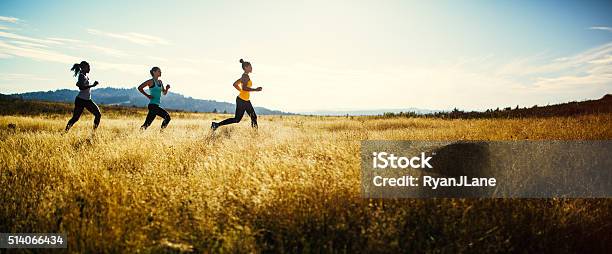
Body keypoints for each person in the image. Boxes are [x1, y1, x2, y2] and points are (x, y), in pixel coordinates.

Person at [211, 59, 262, 131]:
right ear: (246, 67)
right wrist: (255, 90)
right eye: (250, 66)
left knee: (253, 117)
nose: (251, 68)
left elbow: (235, 84)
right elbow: (244, 88)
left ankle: (255, 134)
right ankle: (216, 124)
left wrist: (241, 91)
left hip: (245, 100)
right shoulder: (245, 76)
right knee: (237, 119)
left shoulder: (244, 76)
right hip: (242, 101)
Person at [65, 61, 102, 132]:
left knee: (98, 114)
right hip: (81, 100)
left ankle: (93, 133)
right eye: (88, 67)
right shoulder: (82, 75)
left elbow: (80, 84)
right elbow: (81, 87)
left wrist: (79, 83)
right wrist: (93, 85)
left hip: (87, 100)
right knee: (75, 118)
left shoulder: (84, 76)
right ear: (84, 68)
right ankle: (65, 132)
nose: (89, 69)